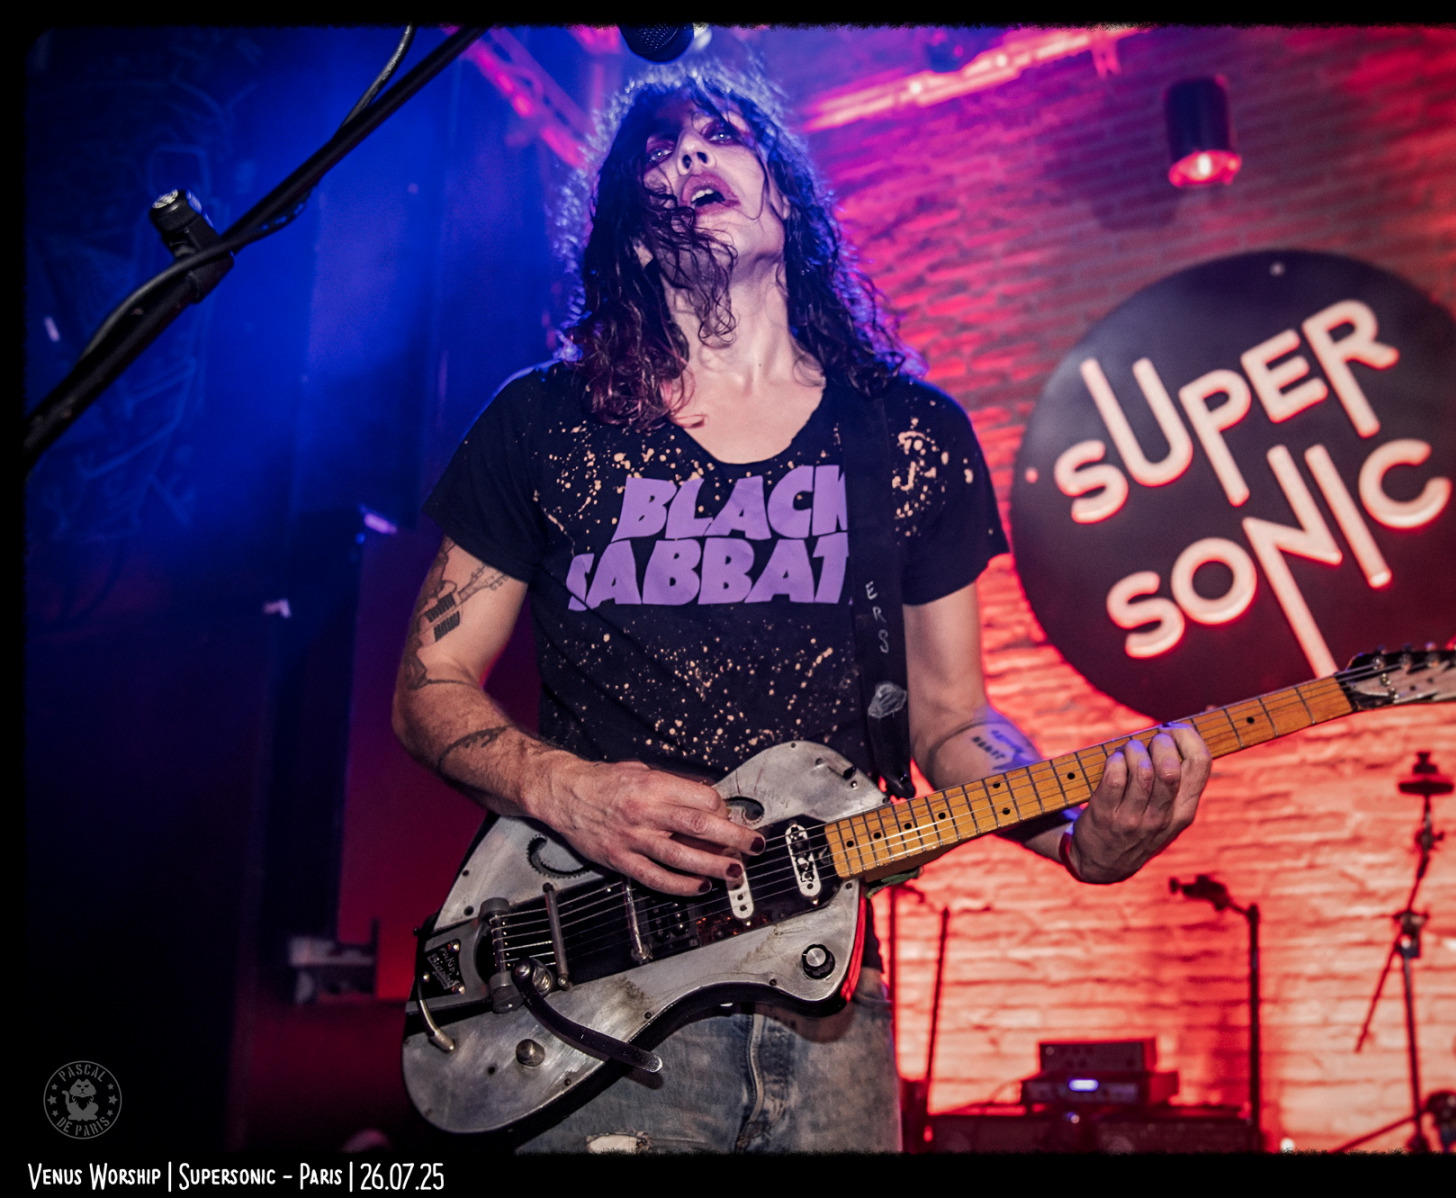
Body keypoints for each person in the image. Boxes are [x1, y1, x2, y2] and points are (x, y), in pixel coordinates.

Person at [391, 52, 1210, 1154]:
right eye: (658, 152)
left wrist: (1073, 835)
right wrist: (567, 789)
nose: (689, 156)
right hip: (596, 996)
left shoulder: (908, 435)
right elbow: (429, 685)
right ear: (635, 239)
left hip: (831, 1005)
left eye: (720, 137)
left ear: (783, 195)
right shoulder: (546, 423)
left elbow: (952, 723)